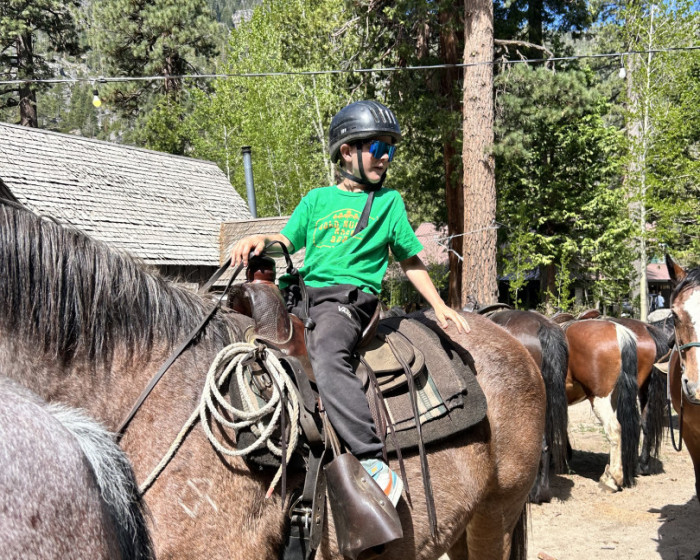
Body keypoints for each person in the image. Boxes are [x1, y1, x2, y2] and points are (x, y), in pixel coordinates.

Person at [230, 100, 470, 507]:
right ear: (347, 152)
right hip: (301, 293)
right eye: (378, 148)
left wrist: (440, 304)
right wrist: (260, 240)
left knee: (327, 352)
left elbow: (410, 260)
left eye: (390, 149)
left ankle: (370, 459)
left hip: (347, 300)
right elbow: (287, 241)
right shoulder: (316, 200)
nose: (386, 157)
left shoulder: (389, 202)